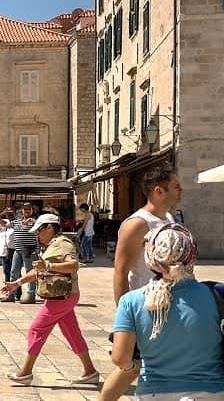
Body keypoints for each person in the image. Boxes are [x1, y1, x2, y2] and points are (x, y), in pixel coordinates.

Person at [110, 223, 224, 399]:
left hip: (154, 392)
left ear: (151, 258)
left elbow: (120, 358)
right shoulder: (216, 294)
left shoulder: (131, 301)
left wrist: (131, 368)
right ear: (191, 254)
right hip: (211, 391)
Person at [102, 166, 184, 401]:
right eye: (176, 186)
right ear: (159, 191)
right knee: (131, 367)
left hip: (171, 304)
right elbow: (120, 271)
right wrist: (125, 316)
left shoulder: (168, 218)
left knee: (136, 367)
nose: (181, 190)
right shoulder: (137, 224)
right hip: (147, 306)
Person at [1, 213, 99, 386]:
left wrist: (49, 265)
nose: (37, 235)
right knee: (72, 333)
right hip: (59, 296)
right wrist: (16, 283)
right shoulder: (52, 245)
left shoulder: (63, 243)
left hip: (62, 297)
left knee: (36, 330)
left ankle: (25, 372)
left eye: (39, 231)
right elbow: (39, 271)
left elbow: (74, 265)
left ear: (49, 228)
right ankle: (90, 371)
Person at [8, 202, 39, 303]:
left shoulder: (34, 221)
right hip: (18, 250)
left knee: (30, 272)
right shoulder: (17, 221)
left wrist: (33, 222)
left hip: (29, 250)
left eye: (28, 209)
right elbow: (6, 225)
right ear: (22, 210)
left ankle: (31, 295)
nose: (26, 211)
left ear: (31, 210)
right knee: (14, 272)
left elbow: (39, 231)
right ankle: (11, 294)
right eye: (25, 209)